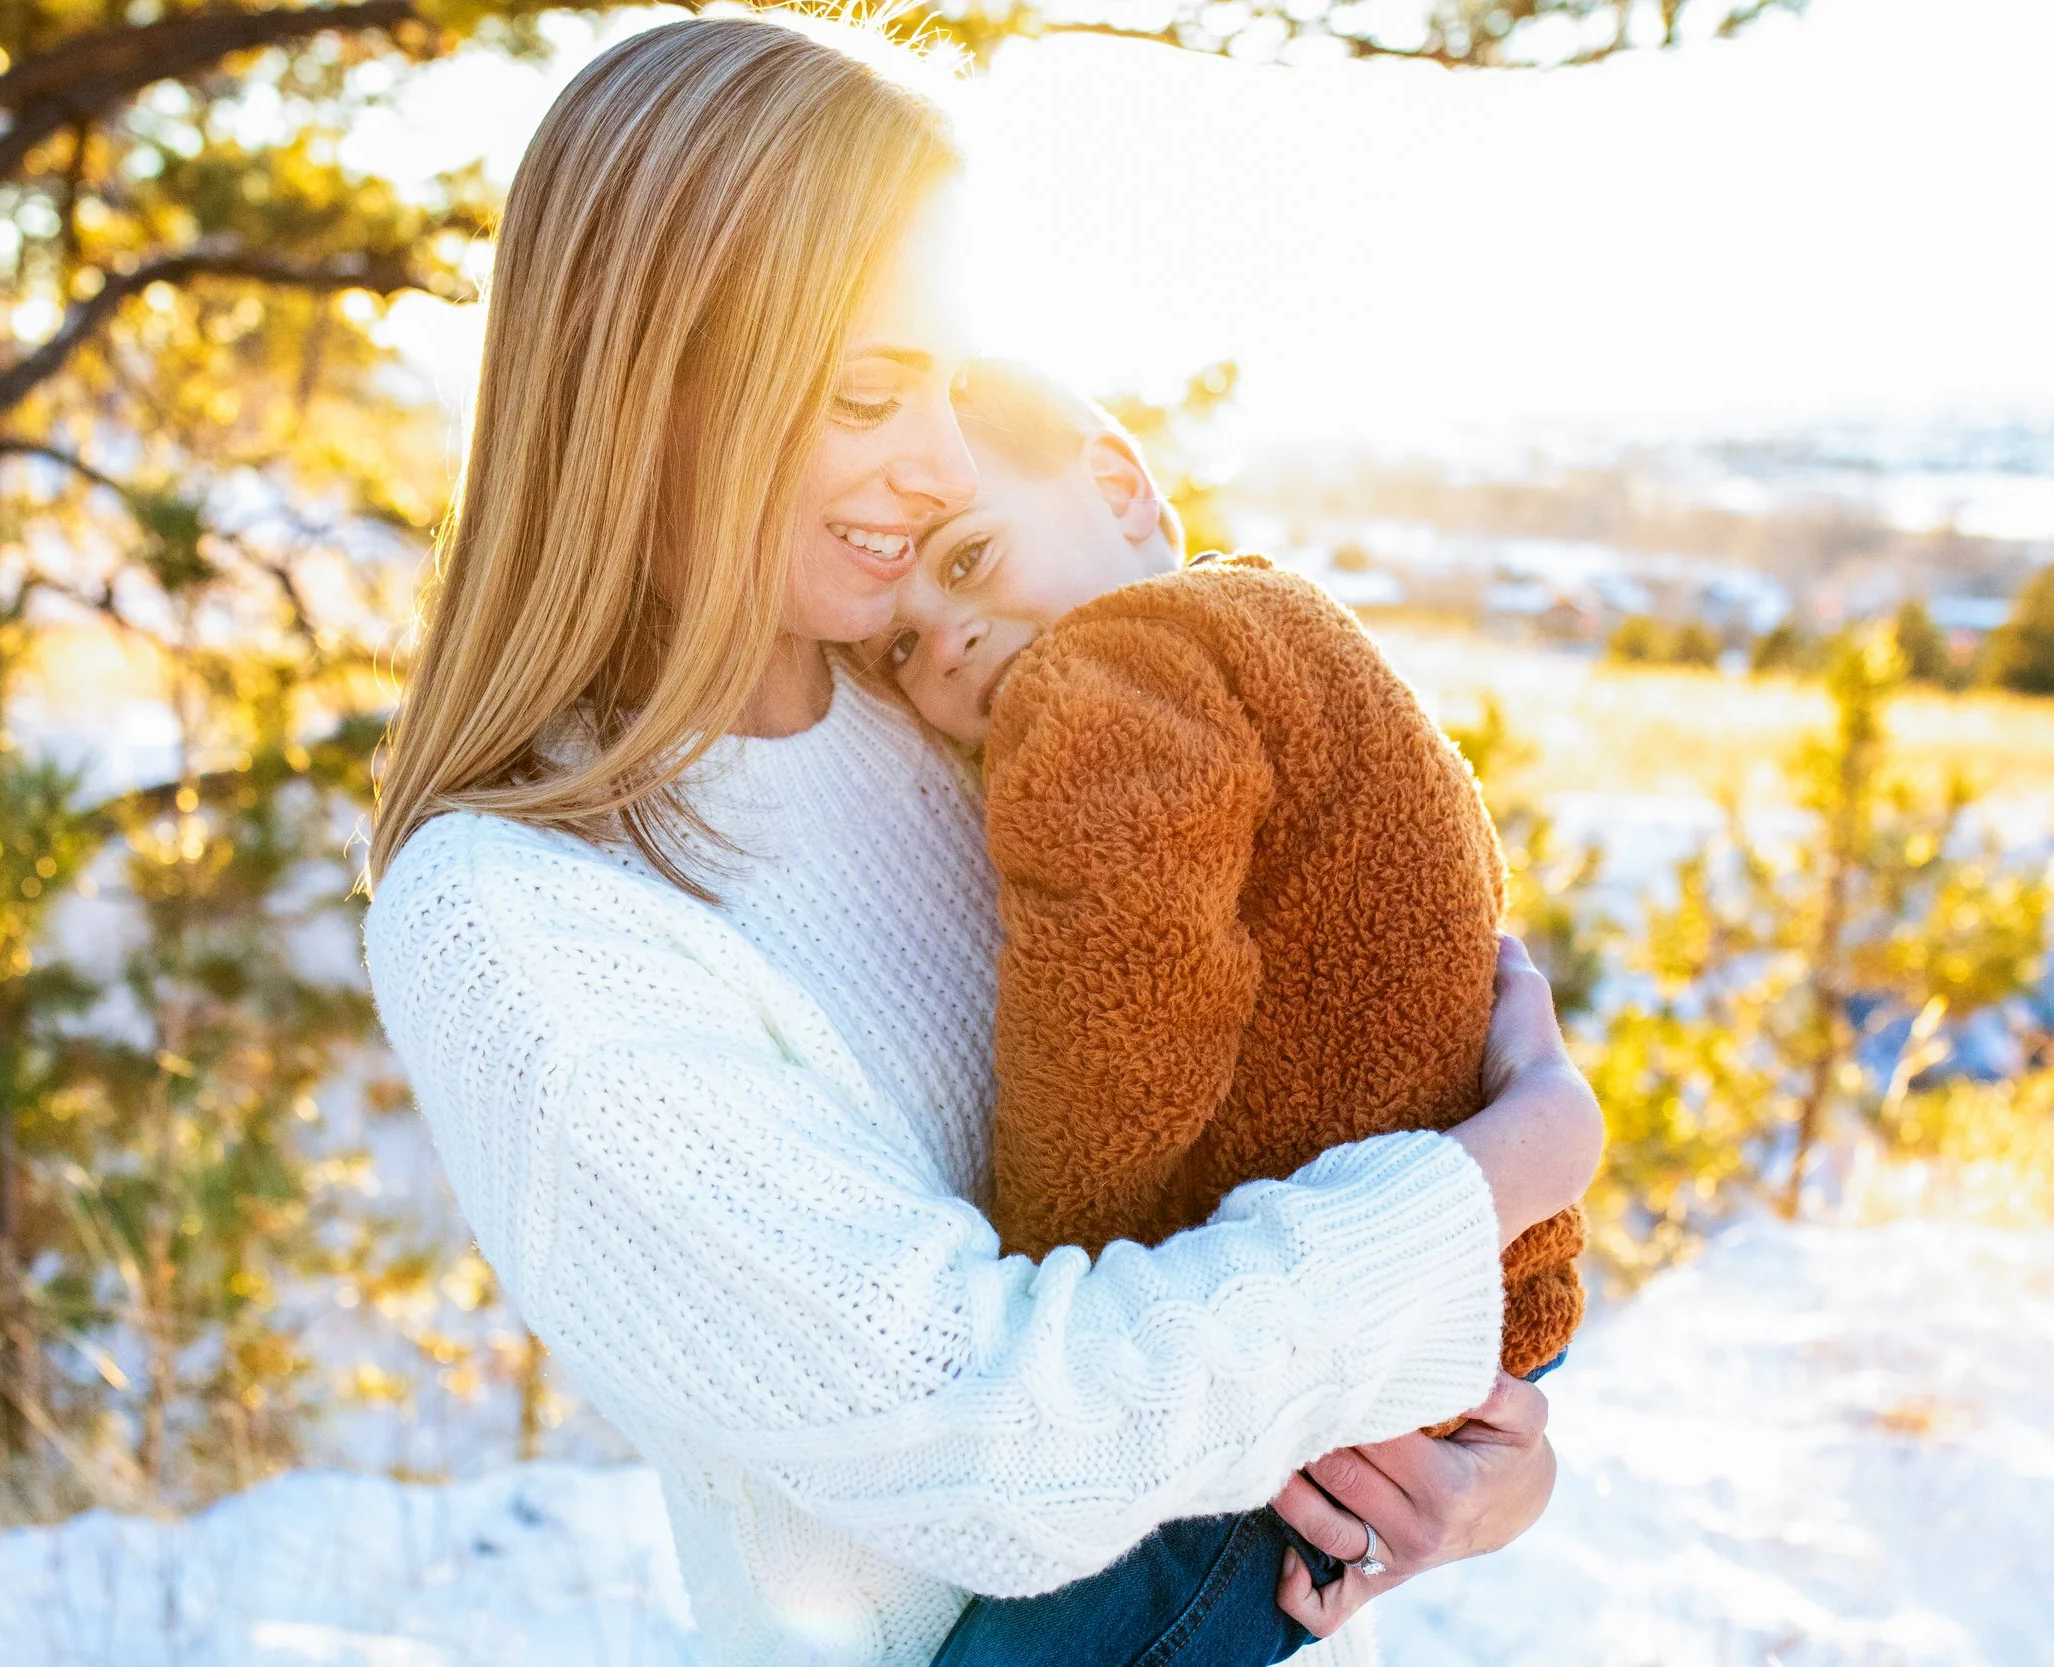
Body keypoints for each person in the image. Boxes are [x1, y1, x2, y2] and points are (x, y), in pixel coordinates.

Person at [360, 18, 1604, 1667]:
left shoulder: (974, 716)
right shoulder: (518, 915)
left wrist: (1476, 1467)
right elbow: (1001, 1444)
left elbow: (1266, 1138)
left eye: (952, 386)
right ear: (646, 383)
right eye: (872, 389)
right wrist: (1500, 1174)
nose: (939, 466)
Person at [868, 360, 1590, 1667]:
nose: (949, 636)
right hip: (1451, 1327)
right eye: (903, 646)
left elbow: (1125, 1006)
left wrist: (1060, 1274)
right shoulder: (1284, 627)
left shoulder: (1107, 668)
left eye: (969, 562)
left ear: (1121, 486)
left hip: (1276, 1393)